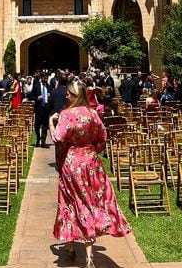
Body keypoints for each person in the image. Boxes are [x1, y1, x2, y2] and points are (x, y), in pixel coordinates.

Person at [49, 82, 130, 267]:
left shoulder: (66, 114)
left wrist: (50, 122)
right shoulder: (93, 113)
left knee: (71, 201)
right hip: (91, 162)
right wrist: (92, 150)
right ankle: (82, 250)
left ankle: (75, 247)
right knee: (90, 201)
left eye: (69, 94)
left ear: (74, 95)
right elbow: (103, 137)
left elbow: (57, 138)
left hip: (72, 163)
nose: (67, 97)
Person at [29, 71, 50, 147]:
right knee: (37, 126)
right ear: (41, 78)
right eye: (44, 78)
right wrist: (36, 98)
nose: (46, 80)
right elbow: (30, 96)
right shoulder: (36, 86)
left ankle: (43, 142)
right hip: (38, 108)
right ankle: (38, 139)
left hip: (46, 109)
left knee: (45, 126)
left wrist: (49, 95)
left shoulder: (48, 86)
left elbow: (51, 93)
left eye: (47, 78)